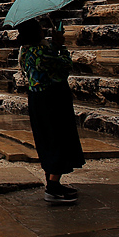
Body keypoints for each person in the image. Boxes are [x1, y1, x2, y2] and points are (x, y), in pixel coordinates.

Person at [16, 18, 85, 203]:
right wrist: (60, 46)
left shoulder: (25, 51)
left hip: (36, 99)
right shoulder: (42, 52)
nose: (43, 30)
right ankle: (53, 188)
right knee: (58, 138)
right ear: (36, 32)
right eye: (40, 28)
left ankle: (54, 182)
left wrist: (53, 44)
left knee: (46, 139)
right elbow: (64, 67)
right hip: (52, 99)